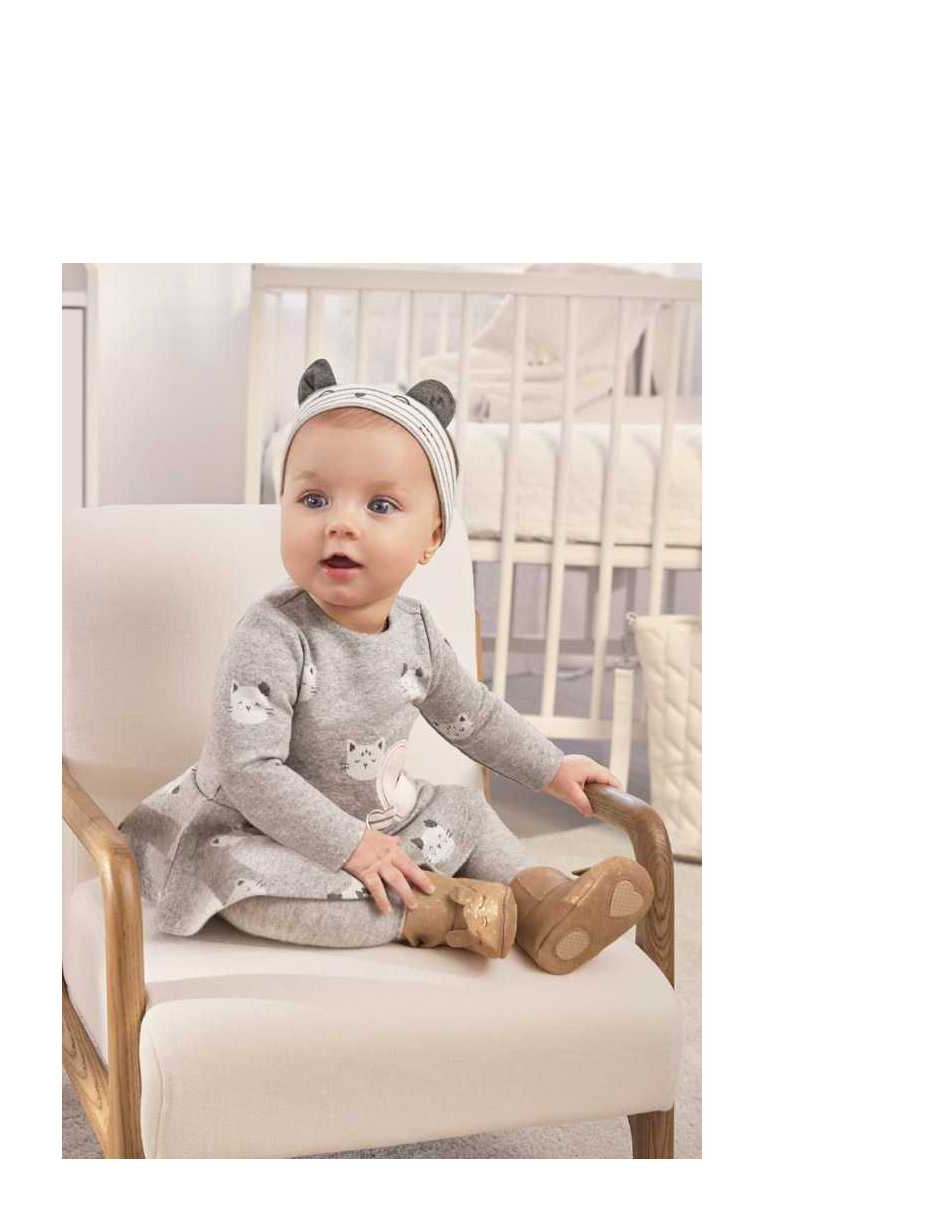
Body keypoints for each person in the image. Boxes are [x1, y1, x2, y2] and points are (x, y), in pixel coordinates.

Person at [119, 358, 653, 974]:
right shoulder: (273, 635)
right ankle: (444, 911)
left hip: (379, 820)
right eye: (313, 499)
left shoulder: (416, 632)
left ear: (431, 538)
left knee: (468, 812)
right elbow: (249, 771)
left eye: (379, 505)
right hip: (257, 831)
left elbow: (475, 718)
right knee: (251, 887)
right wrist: (351, 846)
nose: (340, 523)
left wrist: (552, 767)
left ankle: (543, 902)